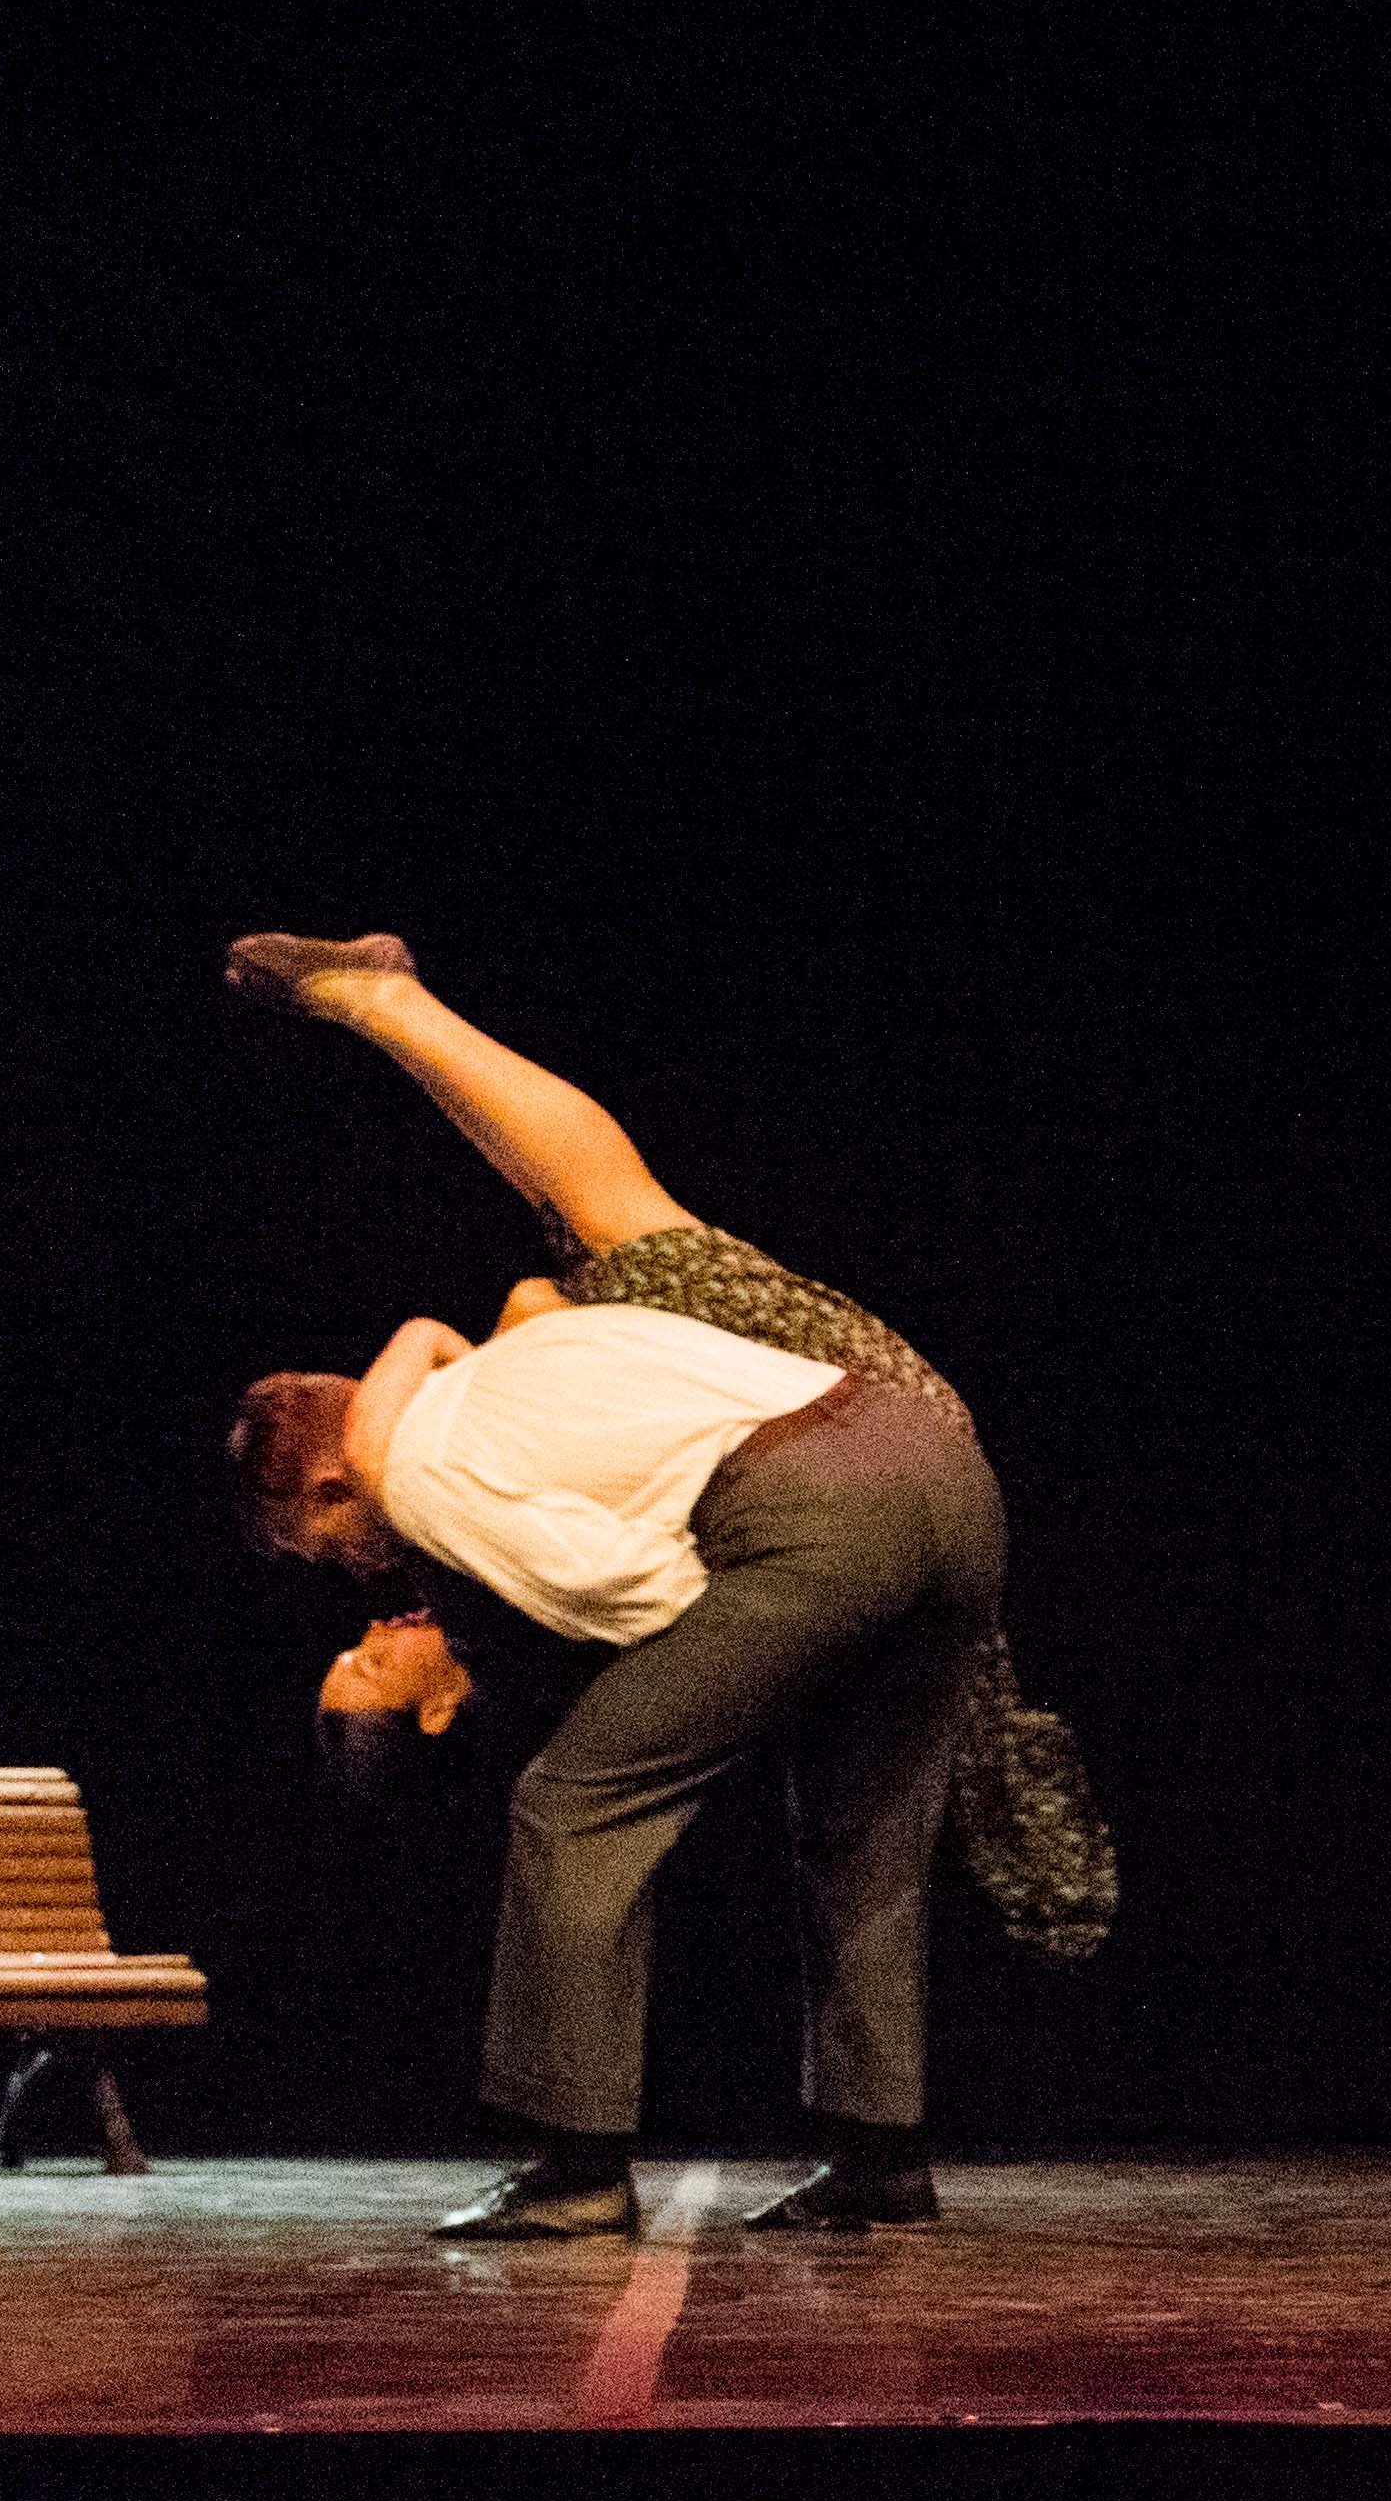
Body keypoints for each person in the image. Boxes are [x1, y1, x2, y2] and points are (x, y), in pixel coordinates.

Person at [220, 932, 1049, 2238]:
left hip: (820, 1497)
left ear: (333, 1489)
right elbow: (523, 1302)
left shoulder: (422, 1469)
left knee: (574, 1805)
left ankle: (574, 2168)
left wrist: (706, 1673)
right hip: (946, 1458)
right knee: (864, 1820)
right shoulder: (515, 1351)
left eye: (331, 1554)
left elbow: (630, 1593)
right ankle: (880, 2153)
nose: (359, 1581)